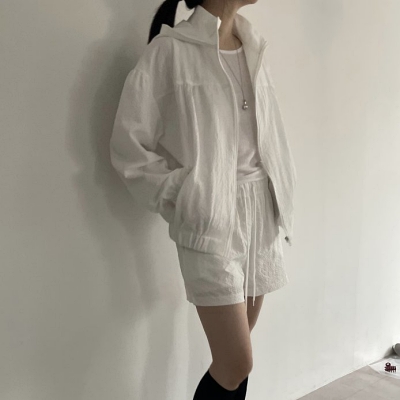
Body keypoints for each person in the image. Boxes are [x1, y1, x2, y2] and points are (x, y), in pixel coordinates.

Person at [110, 0, 297, 398]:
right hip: (211, 217)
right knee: (236, 362)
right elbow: (129, 147)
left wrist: (280, 195)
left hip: (260, 213)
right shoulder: (170, 51)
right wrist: (188, 194)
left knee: (238, 360)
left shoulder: (254, 46)